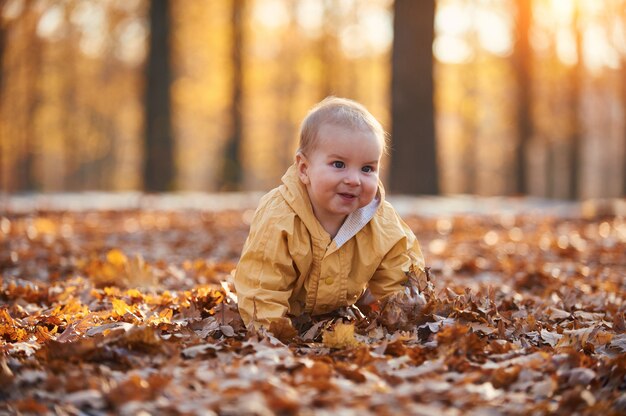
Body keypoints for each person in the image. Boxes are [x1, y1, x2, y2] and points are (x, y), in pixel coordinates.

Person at [234, 96, 426, 329]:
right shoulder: (280, 217)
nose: (354, 180)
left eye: (367, 168)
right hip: (285, 315)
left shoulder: (381, 222)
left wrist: (405, 320)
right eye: (338, 164)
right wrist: (273, 336)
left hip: (336, 315)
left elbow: (399, 276)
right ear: (304, 169)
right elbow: (262, 286)